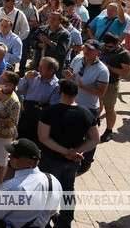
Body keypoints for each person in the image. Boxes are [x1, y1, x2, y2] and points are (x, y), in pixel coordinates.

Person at [38, 79, 100, 228]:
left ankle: (44, 222)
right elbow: (95, 139)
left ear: (60, 92)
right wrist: (76, 152)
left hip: (50, 160)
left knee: (48, 192)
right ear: (76, 94)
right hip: (72, 162)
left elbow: (43, 137)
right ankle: (65, 222)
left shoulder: (49, 112)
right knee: (68, 191)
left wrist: (66, 152)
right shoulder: (86, 113)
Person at [0, 139, 63, 228]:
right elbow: (54, 211)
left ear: (31, 162)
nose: (10, 157)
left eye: (15, 155)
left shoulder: (13, 187)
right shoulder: (53, 180)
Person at [65, 39, 109, 173]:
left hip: (89, 107)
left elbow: (101, 92)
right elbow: (70, 73)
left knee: (90, 137)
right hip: (72, 103)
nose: (87, 51)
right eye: (86, 48)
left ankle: (86, 162)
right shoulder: (78, 59)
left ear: (98, 52)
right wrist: (69, 76)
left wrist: (82, 86)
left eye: (90, 49)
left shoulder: (102, 70)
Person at [16, 56, 60, 143]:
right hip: (26, 112)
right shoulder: (33, 76)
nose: (38, 68)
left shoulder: (56, 85)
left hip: (40, 117)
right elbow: (20, 90)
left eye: (42, 67)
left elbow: (53, 105)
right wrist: (25, 78)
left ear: (51, 71)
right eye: (39, 66)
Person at [98, 32, 130, 142]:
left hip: (111, 84)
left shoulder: (124, 54)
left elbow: (126, 73)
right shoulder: (103, 47)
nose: (107, 48)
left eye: (110, 46)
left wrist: (109, 68)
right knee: (97, 104)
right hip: (98, 82)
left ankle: (109, 130)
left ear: (117, 44)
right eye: (106, 45)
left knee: (109, 108)